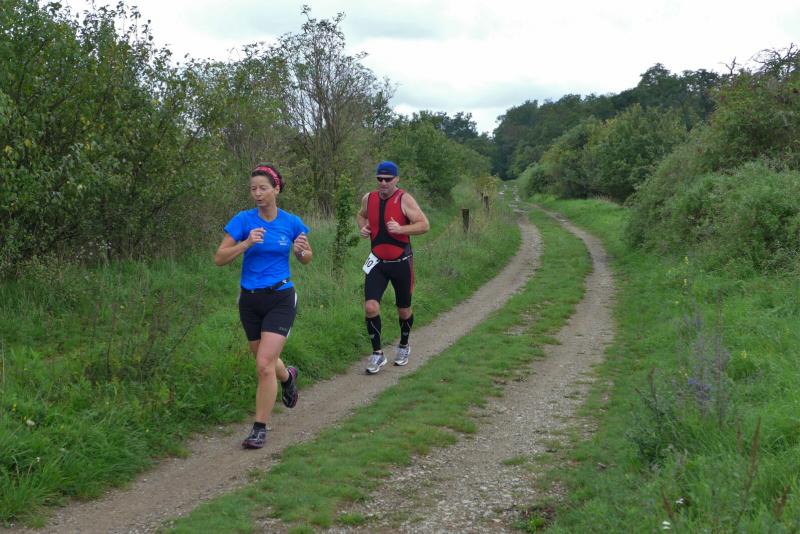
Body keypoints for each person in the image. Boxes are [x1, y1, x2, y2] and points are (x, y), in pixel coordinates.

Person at [214, 163, 312, 449]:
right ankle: (288, 376)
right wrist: (245, 244)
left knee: (263, 365)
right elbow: (219, 258)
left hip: (280, 296)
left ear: (276, 189)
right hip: (250, 300)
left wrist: (301, 252)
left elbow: (307, 257)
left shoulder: (291, 222)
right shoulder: (243, 220)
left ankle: (259, 428)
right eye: (253, 189)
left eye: (263, 188)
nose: (257, 193)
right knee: (265, 361)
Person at [357, 160, 430, 374]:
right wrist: (364, 228)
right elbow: (361, 215)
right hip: (377, 262)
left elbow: (424, 225)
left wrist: (401, 229)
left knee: (403, 309)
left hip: (401, 263)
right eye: (380, 179)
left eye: (388, 179)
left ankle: (404, 345)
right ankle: (377, 354)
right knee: (370, 307)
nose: (383, 183)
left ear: (396, 179)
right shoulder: (369, 198)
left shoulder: (404, 199)